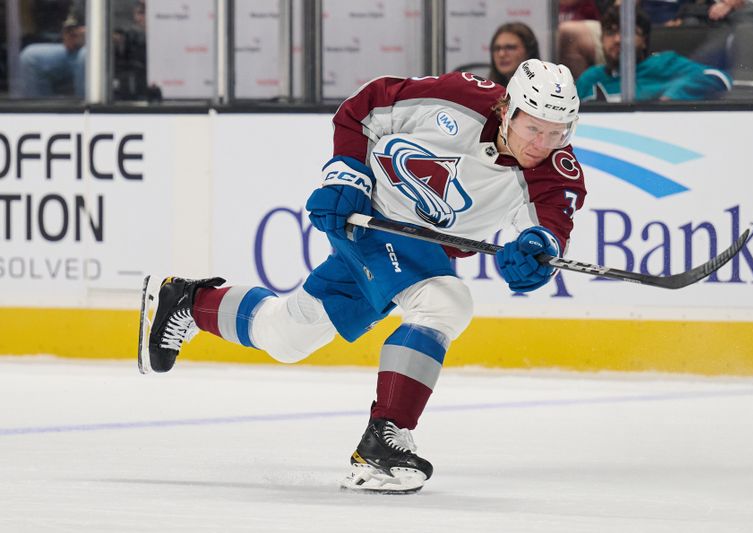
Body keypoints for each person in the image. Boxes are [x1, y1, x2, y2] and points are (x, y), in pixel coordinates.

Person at [139, 59, 587, 494]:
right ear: (506, 108)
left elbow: (549, 231)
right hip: (370, 217)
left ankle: (187, 302)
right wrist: (346, 174)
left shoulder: (556, 172)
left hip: (415, 247)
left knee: (288, 335)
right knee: (445, 302)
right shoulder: (458, 98)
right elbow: (364, 106)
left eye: (556, 132)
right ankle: (382, 443)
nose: (542, 143)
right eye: (533, 128)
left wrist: (536, 254)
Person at [576, 6, 731, 101]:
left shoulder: (664, 64)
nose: (617, 39)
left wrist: (670, 97)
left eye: (627, 32)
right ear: (602, 39)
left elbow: (717, 77)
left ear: (644, 40)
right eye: (610, 32)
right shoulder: (589, 79)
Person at [18, 1, 86, 98]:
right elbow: (73, 19)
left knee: (87, 56)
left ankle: (90, 110)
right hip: (77, 49)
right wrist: (70, 33)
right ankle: (39, 111)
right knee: (30, 57)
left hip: (109, 55)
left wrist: (98, 35)